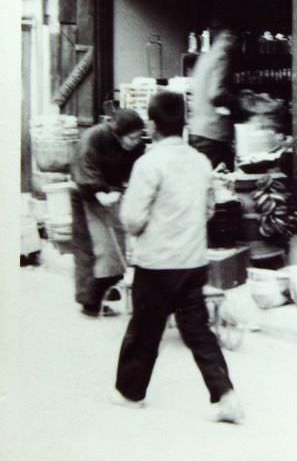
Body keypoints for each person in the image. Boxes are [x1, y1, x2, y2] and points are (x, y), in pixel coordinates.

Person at [114, 91, 243, 423]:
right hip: (192, 261)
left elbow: (131, 218)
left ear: (152, 125)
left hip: (156, 262)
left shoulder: (149, 163)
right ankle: (225, 395)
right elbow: (210, 208)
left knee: (145, 329)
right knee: (198, 330)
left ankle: (131, 393)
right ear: (183, 123)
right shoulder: (200, 162)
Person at [70, 109, 145, 317]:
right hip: (86, 191)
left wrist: (120, 190)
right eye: (131, 138)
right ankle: (90, 302)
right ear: (118, 134)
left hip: (112, 193)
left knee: (115, 244)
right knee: (93, 246)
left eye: (139, 137)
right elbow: (84, 166)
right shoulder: (94, 137)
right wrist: (98, 190)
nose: (135, 142)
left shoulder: (137, 147)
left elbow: (137, 170)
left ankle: (105, 294)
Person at [188, 29, 246, 170]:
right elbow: (216, 94)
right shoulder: (222, 56)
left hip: (198, 130)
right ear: (232, 38)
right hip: (213, 133)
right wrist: (241, 103)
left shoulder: (206, 57)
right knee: (218, 182)